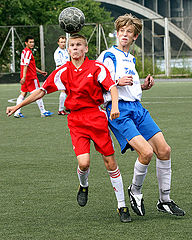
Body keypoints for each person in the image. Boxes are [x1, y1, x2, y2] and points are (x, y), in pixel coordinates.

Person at [6, 34, 131, 223]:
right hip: (76, 120)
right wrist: (18, 106)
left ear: (85, 49)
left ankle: (122, 206)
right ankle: (84, 185)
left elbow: (112, 87)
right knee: (84, 163)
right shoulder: (63, 71)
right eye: (71, 45)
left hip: (96, 117)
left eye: (79, 45)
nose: (74, 48)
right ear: (68, 49)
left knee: (110, 162)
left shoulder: (97, 68)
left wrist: (114, 105)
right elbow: (41, 90)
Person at [98, 13, 185, 217]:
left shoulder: (130, 57)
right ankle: (134, 191)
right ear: (117, 33)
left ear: (135, 36)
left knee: (164, 150)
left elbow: (129, 86)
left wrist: (142, 86)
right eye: (121, 31)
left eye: (129, 32)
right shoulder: (107, 56)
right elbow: (99, 84)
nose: (124, 35)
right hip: (119, 110)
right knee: (145, 152)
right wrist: (116, 84)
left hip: (137, 108)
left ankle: (164, 200)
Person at [14, 35, 53, 118]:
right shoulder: (28, 52)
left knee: (23, 94)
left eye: (33, 42)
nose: (32, 44)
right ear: (26, 43)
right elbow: (25, 65)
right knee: (37, 93)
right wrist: (24, 77)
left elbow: (30, 66)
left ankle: (17, 112)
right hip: (30, 77)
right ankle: (43, 111)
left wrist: (40, 72)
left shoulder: (24, 52)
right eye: (30, 42)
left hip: (25, 77)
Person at [54, 35, 70, 116]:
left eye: (64, 42)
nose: (63, 44)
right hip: (61, 72)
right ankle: (60, 110)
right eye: (61, 42)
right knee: (63, 90)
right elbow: (59, 65)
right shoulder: (57, 52)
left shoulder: (66, 51)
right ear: (58, 43)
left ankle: (67, 107)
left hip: (67, 72)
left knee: (69, 90)